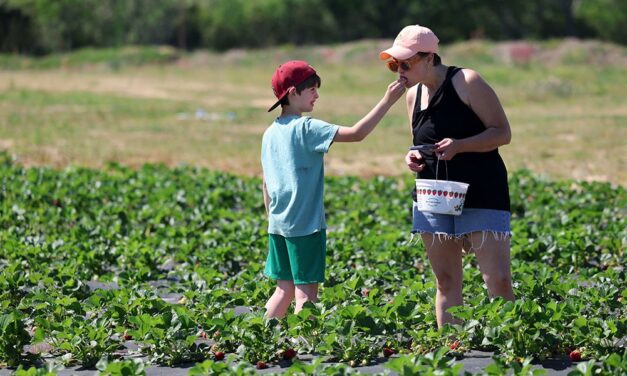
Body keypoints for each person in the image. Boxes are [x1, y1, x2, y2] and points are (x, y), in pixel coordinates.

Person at [380, 25, 515, 328]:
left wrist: (462, 146)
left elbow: (502, 133)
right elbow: (420, 142)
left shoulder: (467, 81)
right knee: (445, 281)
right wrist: (411, 156)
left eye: (405, 64)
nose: (398, 71)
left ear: (429, 58)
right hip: (434, 196)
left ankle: (511, 348)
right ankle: (450, 351)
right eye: (394, 65)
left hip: (483, 191)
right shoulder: (412, 95)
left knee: (498, 281)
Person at [261, 60, 405, 318]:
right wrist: (387, 100)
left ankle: (261, 338)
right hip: (306, 226)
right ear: (293, 92)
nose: (317, 95)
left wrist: (270, 217)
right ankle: (304, 346)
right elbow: (357, 133)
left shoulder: (270, 133)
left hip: (278, 224)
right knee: (306, 294)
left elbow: (265, 182)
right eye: (312, 90)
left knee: (283, 290)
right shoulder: (307, 127)